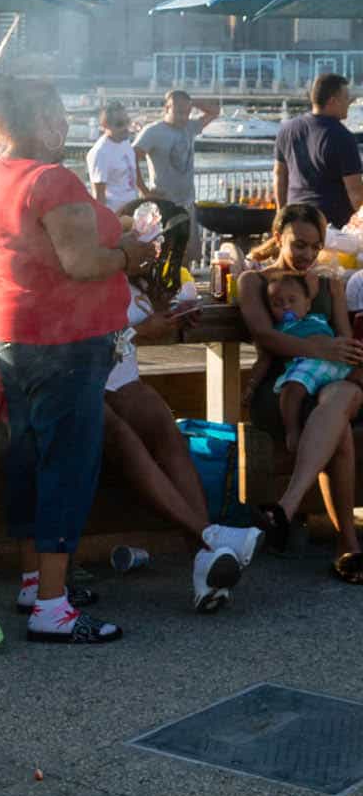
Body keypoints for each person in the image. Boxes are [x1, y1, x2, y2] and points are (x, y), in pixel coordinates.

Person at [0, 75, 157, 643]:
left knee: (31, 456)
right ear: (42, 120)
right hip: (64, 342)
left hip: (13, 334)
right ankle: (53, 608)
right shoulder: (52, 179)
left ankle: (35, 581)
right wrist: (132, 251)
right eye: (57, 113)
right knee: (67, 467)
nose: (65, 124)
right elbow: (80, 263)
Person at [103, 198, 260, 611]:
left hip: (123, 378)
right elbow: (87, 336)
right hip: (92, 383)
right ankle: (208, 539)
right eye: (149, 247)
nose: (153, 255)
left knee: (169, 434)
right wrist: (143, 330)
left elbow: (134, 327)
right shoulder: (98, 273)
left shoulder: (138, 281)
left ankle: (206, 557)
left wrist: (167, 317)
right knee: (132, 442)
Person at [238, 203, 363, 583]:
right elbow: (265, 336)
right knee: (335, 424)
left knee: (339, 396)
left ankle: (286, 507)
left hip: (337, 380)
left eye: (314, 246)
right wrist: (317, 350)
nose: (307, 255)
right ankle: (348, 543)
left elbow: (344, 341)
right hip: (284, 389)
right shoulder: (254, 281)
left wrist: (341, 353)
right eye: (299, 245)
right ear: (278, 238)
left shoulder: (330, 283)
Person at [250, 272, 363, 454]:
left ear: (308, 303)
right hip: (305, 365)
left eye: (292, 301)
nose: (286, 307)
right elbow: (265, 358)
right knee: (291, 390)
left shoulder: (318, 318)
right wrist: (252, 384)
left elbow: (345, 340)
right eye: (277, 304)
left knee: (358, 375)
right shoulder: (280, 330)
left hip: (333, 362)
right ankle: (292, 431)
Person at [134, 88, 219, 258]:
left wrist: (191, 102)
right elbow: (131, 158)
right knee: (165, 253)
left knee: (190, 252)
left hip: (187, 202)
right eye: (179, 111)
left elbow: (214, 112)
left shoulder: (190, 127)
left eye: (187, 112)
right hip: (163, 204)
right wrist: (144, 190)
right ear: (167, 108)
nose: (184, 116)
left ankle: (185, 284)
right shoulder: (153, 131)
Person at [273, 73, 363, 231]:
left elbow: (279, 175)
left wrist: (281, 214)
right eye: (346, 97)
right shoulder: (342, 137)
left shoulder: (287, 129)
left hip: (294, 222)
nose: (349, 102)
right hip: (331, 227)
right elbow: (356, 194)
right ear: (332, 101)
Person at [85, 101, 138, 212]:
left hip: (131, 209)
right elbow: (98, 194)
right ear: (105, 125)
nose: (125, 127)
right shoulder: (100, 153)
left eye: (127, 122)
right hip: (114, 213)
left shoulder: (125, 142)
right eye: (119, 124)